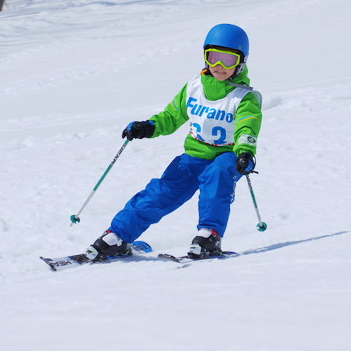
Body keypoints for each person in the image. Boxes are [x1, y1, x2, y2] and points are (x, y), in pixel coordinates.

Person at [85, 23, 262, 260]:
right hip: (194, 155)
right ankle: (118, 236)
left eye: (227, 60)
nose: (219, 66)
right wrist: (149, 126)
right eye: (213, 58)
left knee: (217, 177)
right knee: (161, 191)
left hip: (228, 156)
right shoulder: (194, 87)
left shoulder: (244, 97)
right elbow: (171, 116)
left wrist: (245, 152)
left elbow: (246, 127)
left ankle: (209, 235)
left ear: (241, 61)